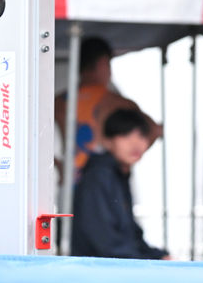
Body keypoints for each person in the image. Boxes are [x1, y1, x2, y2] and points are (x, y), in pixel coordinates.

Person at [54, 36, 162, 181]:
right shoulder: (116, 102)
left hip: (71, 180)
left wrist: (59, 166)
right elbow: (154, 130)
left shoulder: (59, 102)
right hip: (106, 181)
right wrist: (128, 159)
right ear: (103, 63)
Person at [70, 109, 168, 260]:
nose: (135, 143)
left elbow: (131, 236)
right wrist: (146, 261)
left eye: (142, 136)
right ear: (107, 141)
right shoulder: (99, 176)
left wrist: (160, 257)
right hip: (98, 268)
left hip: (113, 264)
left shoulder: (118, 174)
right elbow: (104, 239)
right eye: (126, 135)